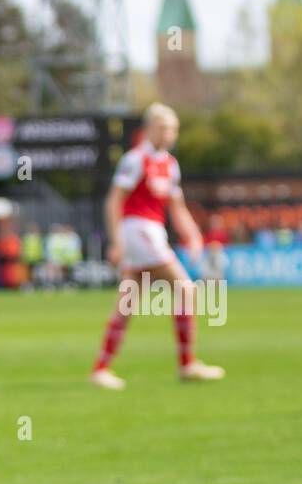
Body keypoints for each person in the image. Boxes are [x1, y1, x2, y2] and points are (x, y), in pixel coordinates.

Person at [91, 102, 224, 389]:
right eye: (164, 127)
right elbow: (115, 200)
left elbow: (177, 207)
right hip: (138, 230)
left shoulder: (169, 164)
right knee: (186, 290)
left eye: (173, 129)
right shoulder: (136, 159)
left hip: (151, 233)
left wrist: (193, 235)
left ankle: (101, 368)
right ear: (149, 129)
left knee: (127, 303)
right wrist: (116, 241)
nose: (169, 134)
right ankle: (187, 364)